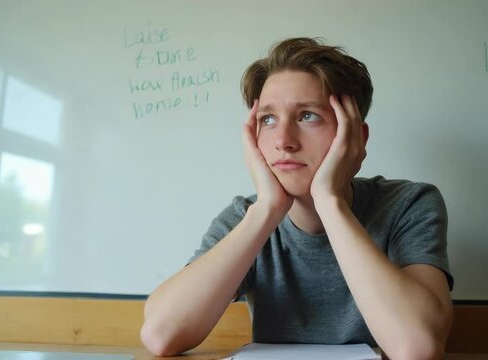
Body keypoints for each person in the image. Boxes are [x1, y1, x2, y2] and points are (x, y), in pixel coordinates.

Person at [140, 37, 454, 359]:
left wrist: (330, 201)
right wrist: (266, 211)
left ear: (356, 136)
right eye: (268, 120)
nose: (283, 141)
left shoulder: (409, 204)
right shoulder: (247, 215)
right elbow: (161, 334)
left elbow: (417, 347)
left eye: (307, 116)